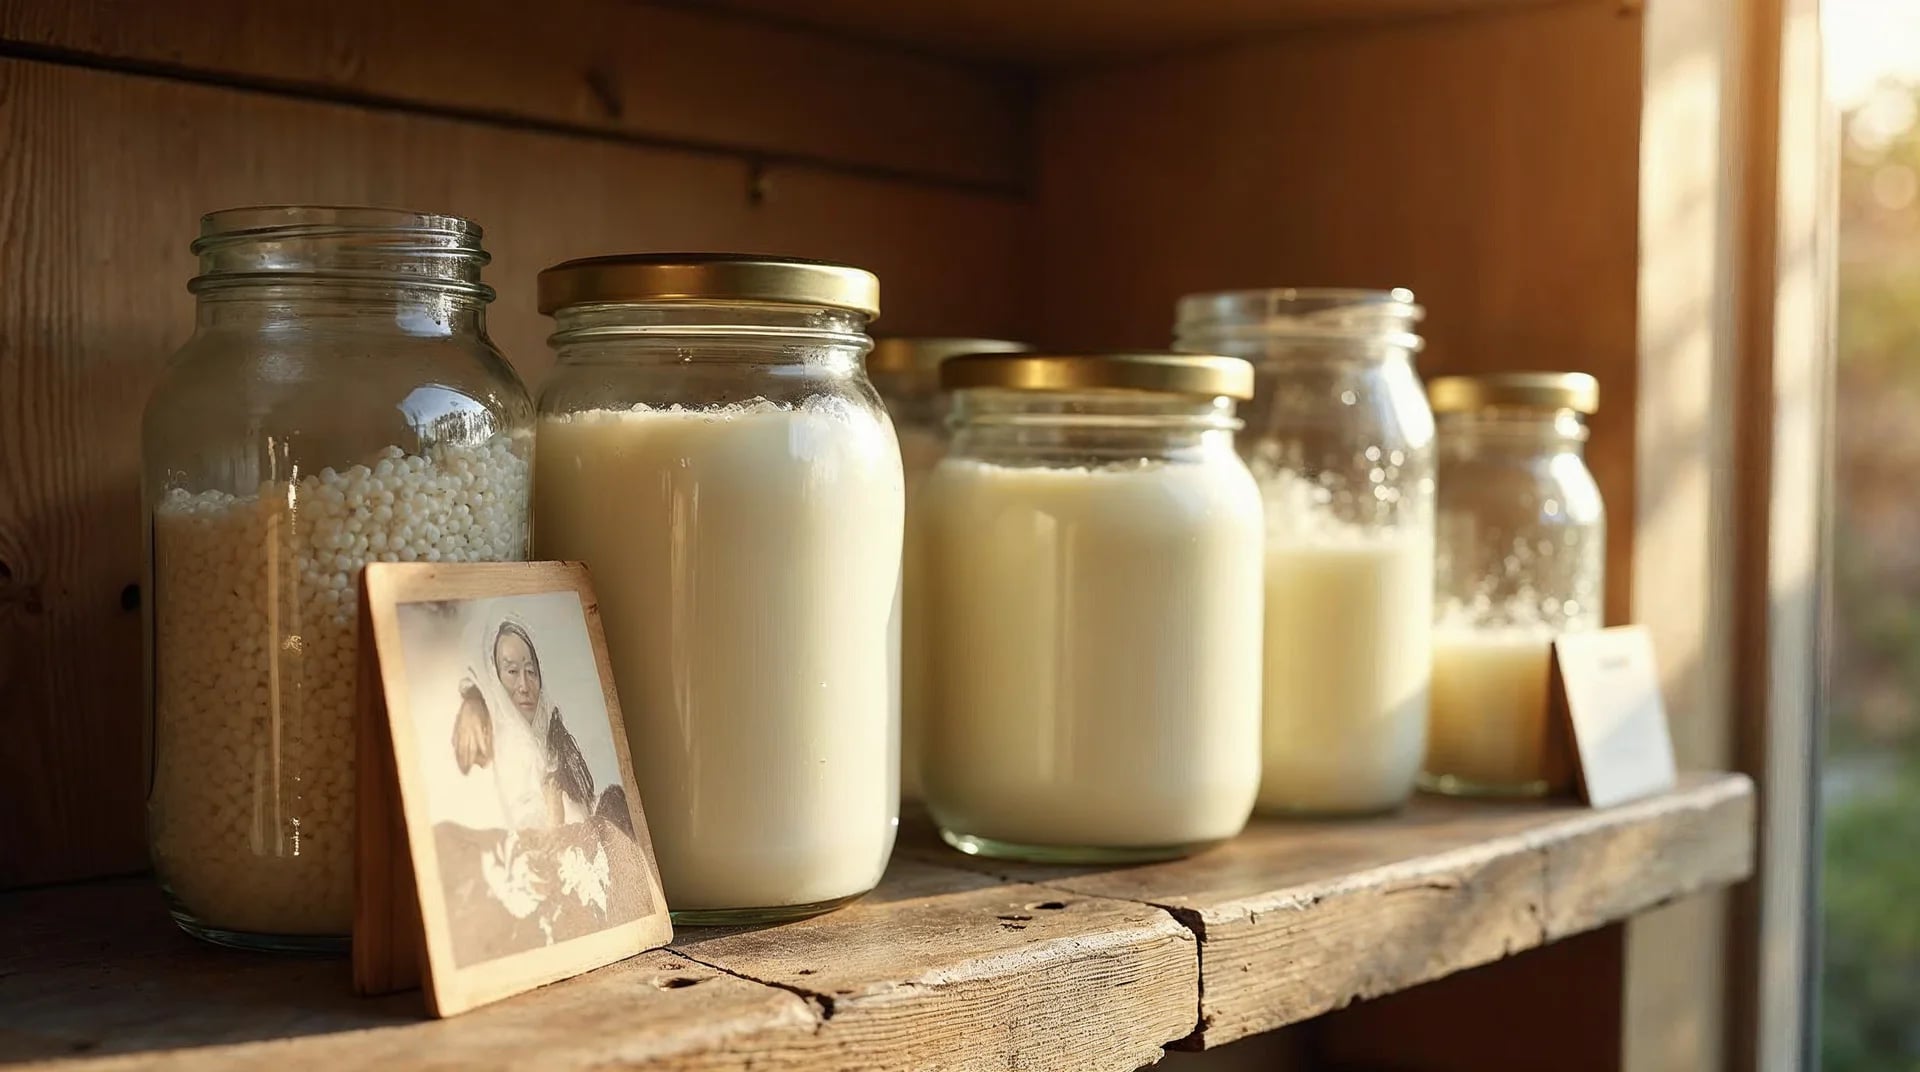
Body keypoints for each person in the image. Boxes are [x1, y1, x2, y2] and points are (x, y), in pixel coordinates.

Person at [451, 618, 595, 829]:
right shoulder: (491, 748)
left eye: (530, 671)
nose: (524, 686)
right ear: (495, 677)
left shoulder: (559, 748)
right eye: (512, 671)